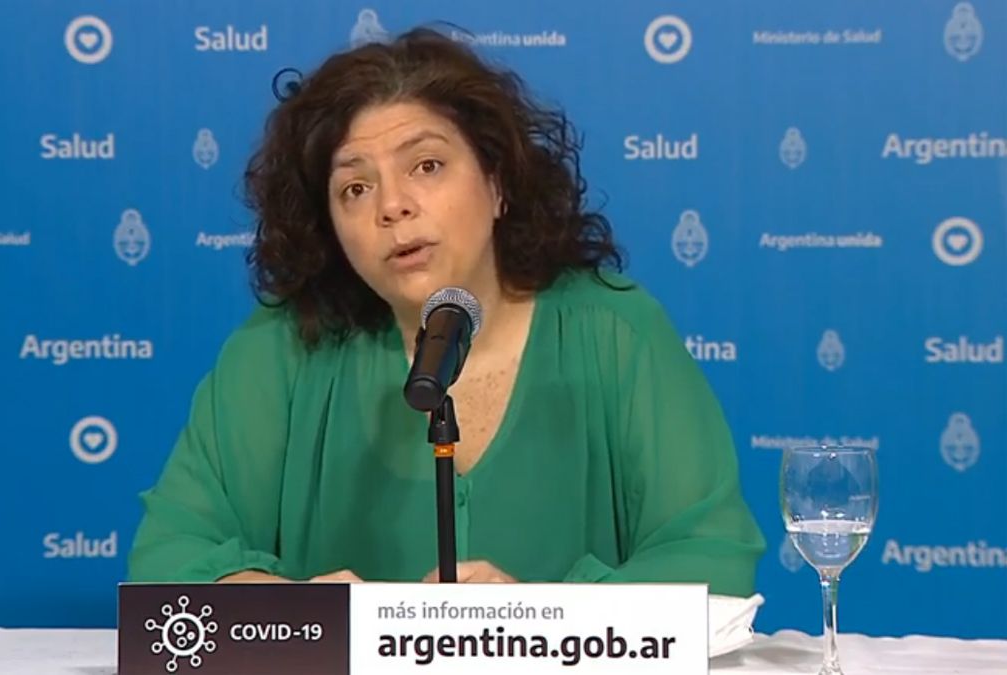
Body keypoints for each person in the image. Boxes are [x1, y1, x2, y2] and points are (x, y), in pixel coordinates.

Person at [127, 27, 765, 593]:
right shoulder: (283, 349)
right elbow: (167, 560)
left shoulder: (616, 332)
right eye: (355, 187)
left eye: (426, 165)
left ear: (497, 181)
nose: (392, 206)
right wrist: (296, 612)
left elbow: (713, 559)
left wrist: (543, 620)